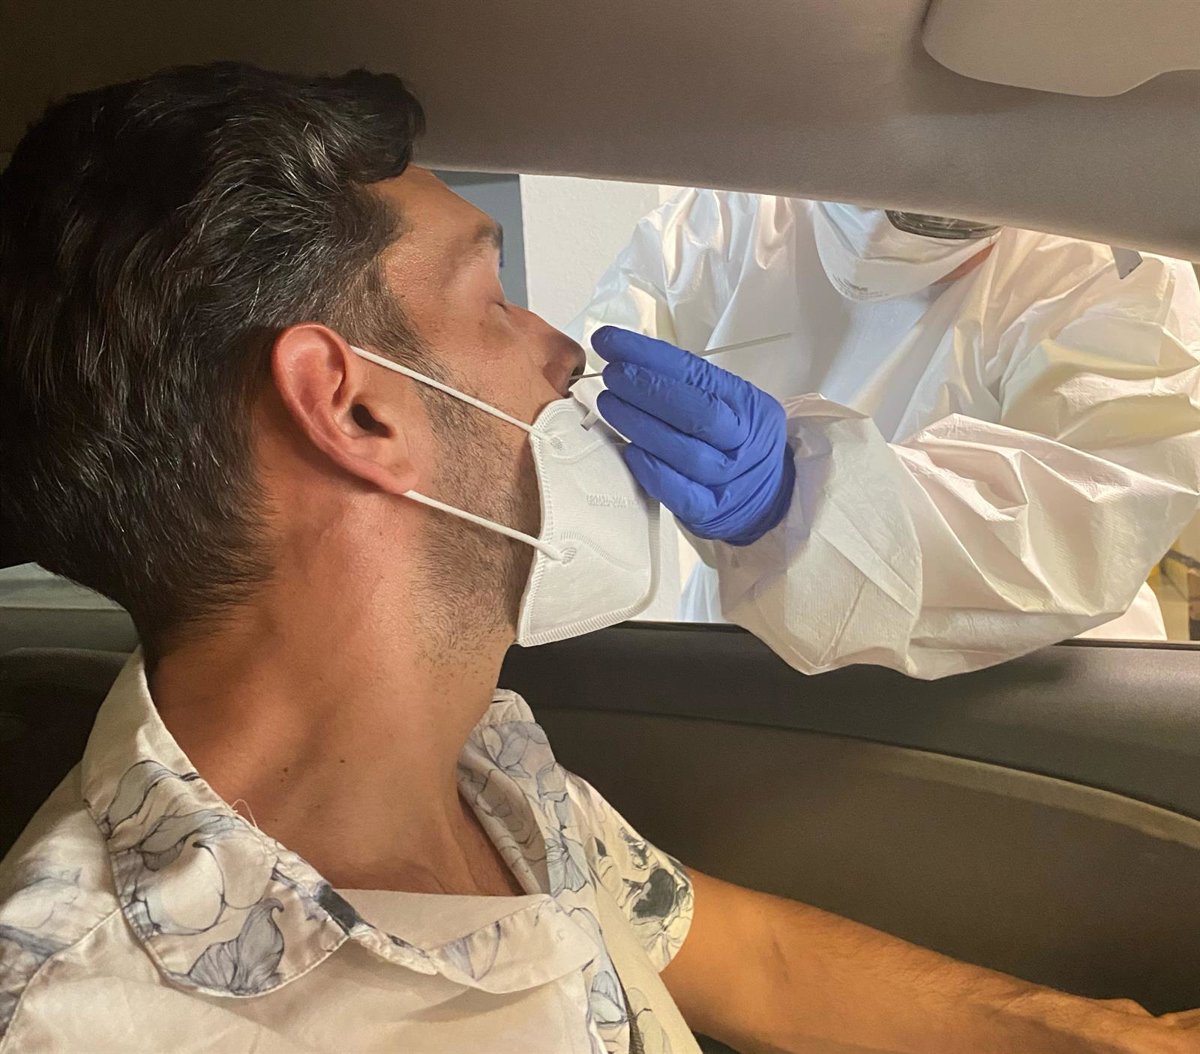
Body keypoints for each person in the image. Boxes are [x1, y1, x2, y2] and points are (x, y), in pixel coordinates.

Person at [0, 64, 1197, 1054]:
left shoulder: (488, 765)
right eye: (495, 296)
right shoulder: (80, 1014)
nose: (566, 354)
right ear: (354, 407)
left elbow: (762, 966)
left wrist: (1107, 1034)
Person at [573, 193, 1200, 678]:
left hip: (1015, 677)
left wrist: (796, 501)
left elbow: (1085, 525)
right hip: (752, 648)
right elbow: (573, 415)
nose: (880, 230)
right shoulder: (719, 226)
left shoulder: (1113, 270)